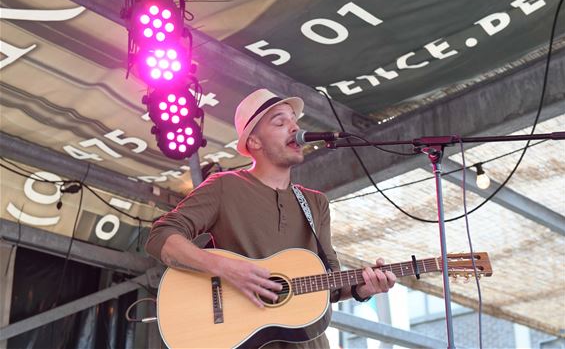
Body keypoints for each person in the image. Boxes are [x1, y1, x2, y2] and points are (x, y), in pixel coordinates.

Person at [145, 88, 396, 348]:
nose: (294, 127)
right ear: (254, 142)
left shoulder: (315, 203)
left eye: (294, 120)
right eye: (280, 121)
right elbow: (160, 237)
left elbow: (329, 284)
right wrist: (225, 269)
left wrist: (363, 289)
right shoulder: (225, 187)